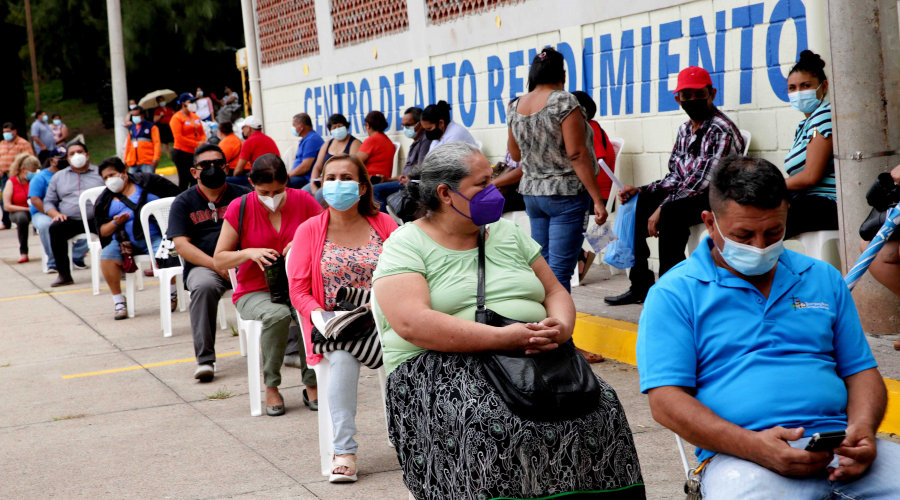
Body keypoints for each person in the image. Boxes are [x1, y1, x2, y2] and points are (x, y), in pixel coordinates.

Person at [373, 142, 644, 500]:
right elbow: (412, 323)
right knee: (490, 421)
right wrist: (505, 338)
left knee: (601, 405)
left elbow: (555, 292)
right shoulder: (406, 244)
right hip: (441, 365)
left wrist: (561, 327)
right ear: (445, 193)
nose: (495, 190)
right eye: (482, 184)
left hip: (531, 355)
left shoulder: (507, 233)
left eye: (493, 180)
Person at [637, 156, 900, 499]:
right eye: (743, 235)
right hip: (739, 459)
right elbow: (666, 402)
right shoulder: (674, 294)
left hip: (842, 449)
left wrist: (863, 431)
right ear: (710, 222)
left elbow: (861, 372)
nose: (760, 247)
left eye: (773, 232)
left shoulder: (822, 278)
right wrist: (755, 447)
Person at [287, 153, 398, 482]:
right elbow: (299, 290)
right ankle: (345, 450)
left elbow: (406, 271)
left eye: (346, 177)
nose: (337, 184)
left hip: (384, 316)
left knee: (414, 358)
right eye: (330, 177)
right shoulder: (309, 230)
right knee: (342, 360)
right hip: (337, 325)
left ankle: (412, 437)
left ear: (362, 187)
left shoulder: (385, 224)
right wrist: (322, 317)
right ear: (320, 185)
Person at [606, 66, 744, 305]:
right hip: (690, 193)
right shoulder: (684, 129)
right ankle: (640, 285)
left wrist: (663, 206)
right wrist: (641, 190)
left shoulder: (721, 129)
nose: (692, 101)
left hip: (717, 195)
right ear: (677, 99)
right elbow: (676, 177)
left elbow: (703, 182)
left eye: (699, 94)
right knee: (636, 204)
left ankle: (672, 290)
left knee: (670, 213)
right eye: (686, 96)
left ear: (712, 93)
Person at [213, 154, 322, 416]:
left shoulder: (303, 201)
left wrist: (301, 243)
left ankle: (311, 382)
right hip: (254, 289)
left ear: (287, 182)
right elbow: (219, 259)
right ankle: (271, 384)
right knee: (278, 314)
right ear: (251, 183)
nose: (271, 196)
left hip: (298, 285)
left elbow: (326, 236)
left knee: (309, 312)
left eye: (278, 190)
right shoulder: (240, 207)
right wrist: (248, 252)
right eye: (264, 191)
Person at [507, 47, 608, 292]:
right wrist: (598, 199)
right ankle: (560, 330)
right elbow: (576, 154)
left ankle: (546, 325)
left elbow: (516, 154)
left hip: (533, 195)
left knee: (543, 269)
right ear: (562, 74)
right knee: (560, 273)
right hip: (566, 194)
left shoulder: (515, 105)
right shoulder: (563, 101)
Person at [167, 144, 256, 380]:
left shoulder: (244, 194)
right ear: (194, 172)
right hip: (207, 267)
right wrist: (218, 264)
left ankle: (290, 349)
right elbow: (182, 246)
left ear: (227, 167)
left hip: (246, 263)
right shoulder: (183, 202)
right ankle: (205, 360)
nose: (212, 168)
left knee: (280, 277)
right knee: (203, 286)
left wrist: (240, 260)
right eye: (205, 165)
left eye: (217, 163)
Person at [94, 157, 180, 319]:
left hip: (155, 237)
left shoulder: (147, 182)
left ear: (124, 173)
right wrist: (114, 223)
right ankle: (119, 300)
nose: (109, 180)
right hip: (123, 242)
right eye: (105, 178)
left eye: (112, 175)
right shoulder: (104, 200)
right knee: (106, 257)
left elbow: (177, 197)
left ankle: (171, 294)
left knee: (168, 257)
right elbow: (102, 231)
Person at [784, 50, 836, 239]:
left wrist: (772, 186)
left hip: (827, 204)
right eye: (792, 88)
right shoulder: (805, 124)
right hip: (808, 200)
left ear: (823, 87)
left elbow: (810, 177)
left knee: (762, 222)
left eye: (805, 86)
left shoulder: (823, 116)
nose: (798, 93)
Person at [45, 142, 106, 287]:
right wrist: (55, 214)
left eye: (79, 151)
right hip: (70, 220)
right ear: (67, 158)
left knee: (115, 228)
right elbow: (48, 202)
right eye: (72, 153)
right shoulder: (58, 177)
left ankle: (119, 267)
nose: (76, 155)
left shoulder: (101, 173)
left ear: (87, 155)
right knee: (55, 228)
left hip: (96, 219)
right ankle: (64, 275)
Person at [572, 90, 617, 283]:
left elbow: (596, 161)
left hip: (601, 194)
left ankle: (583, 253)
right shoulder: (589, 126)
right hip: (596, 192)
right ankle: (585, 252)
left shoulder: (589, 128)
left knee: (562, 212)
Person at [30, 148, 87, 272]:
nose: (65, 160)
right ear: (52, 160)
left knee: (89, 221)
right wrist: (52, 214)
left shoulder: (72, 174)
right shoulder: (41, 177)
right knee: (48, 225)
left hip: (66, 212)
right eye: (61, 158)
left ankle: (76, 256)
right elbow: (35, 199)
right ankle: (54, 261)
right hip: (43, 212)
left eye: (66, 157)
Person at [371, 106, 432, 211]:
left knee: (375, 190)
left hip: (412, 184)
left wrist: (405, 180)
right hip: (404, 182)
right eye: (403, 126)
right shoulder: (415, 142)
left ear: (420, 123)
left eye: (408, 125)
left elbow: (420, 170)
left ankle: (386, 225)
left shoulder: (425, 140)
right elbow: (405, 173)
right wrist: (388, 179)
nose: (405, 129)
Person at [304, 114, 361, 207]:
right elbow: (317, 166)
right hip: (324, 179)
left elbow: (352, 167)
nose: (337, 129)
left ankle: (323, 218)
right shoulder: (327, 144)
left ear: (346, 127)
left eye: (340, 126)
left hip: (341, 181)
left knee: (319, 195)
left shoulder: (355, 143)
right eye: (334, 127)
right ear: (330, 130)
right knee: (303, 192)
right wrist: (312, 183)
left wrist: (329, 179)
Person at [2, 153, 39, 262]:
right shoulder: (11, 182)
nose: (34, 173)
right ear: (24, 169)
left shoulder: (36, 180)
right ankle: (23, 252)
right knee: (22, 219)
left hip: (36, 208)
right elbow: (7, 206)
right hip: (19, 211)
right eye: (33, 171)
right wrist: (27, 209)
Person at [1, 122, 35, 230]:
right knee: (4, 199)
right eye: (4, 132)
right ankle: (6, 222)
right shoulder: (2, 143)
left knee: (24, 196)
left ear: (14, 132)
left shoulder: (23, 143)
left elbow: (30, 160)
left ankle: (27, 216)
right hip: (4, 175)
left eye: (8, 132)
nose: (6, 134)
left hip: (18, 176)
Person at [170, 93, 207, 191]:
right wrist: (196, 144)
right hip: (182, 152)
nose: (194, 104)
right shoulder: (176, 118)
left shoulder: (195, 116)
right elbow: (179, 138)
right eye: (191, 102)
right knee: (184, 179)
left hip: (194, 152)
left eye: (194, 101)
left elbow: (202, 132)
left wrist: (202, 141)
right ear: (183, 104)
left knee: (196, 178)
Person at [229, 115, 279, 185]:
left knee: (227, 181)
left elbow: (238, 170)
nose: (242, 130)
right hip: (275, 177)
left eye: (243, 128)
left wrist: (234, 177)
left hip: (260, 179)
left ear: (248, 128)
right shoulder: (269, 139)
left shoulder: (249, 142)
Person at [356, 110, 396, 184]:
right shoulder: (386, 139)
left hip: (371, 181)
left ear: (368, 126)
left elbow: (355, 162)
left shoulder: (372, 140)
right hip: (381, 180)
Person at [123, 106, 161, 175]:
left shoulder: (151, 127)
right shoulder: (131, 128)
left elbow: (157, 143)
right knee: (133, 183)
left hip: (147, 161)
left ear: (142, 115)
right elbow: (128, 145)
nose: (134, 117)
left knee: (148, 183)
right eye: (133, 115)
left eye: (136, 115)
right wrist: (126, 159)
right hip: (133, 162)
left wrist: (156, 158)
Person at [289, 113, 323, 189]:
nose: (293, 128)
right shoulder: (306, 139)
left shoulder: (312, 140)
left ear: (301, 125)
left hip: (305, 179)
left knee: (284, 185)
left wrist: (289, 176)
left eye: (294, 125)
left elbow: (305, 167)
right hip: (299, 176)